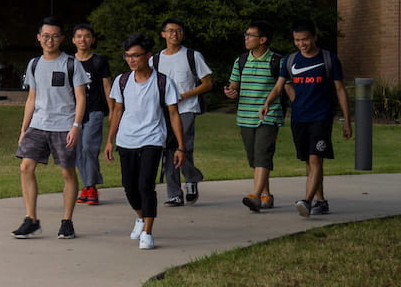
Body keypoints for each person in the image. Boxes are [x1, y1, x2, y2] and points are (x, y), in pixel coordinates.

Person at [101, 34, 187, 250]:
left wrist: (180, 146)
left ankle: (148, 232)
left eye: (136, 56)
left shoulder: (163, 82)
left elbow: (174, 114)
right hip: (126, 140)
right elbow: (118, 111)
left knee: (145, 186)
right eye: (128, 56)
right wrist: (110, 140)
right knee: (130, 188)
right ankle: (140, 217)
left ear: (148, 56)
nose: (131, 60)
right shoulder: (122, 80)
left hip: (152, 139)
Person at [12, 17, 88, 239]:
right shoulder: (34, 64)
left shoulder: (72, 64)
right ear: (38, 38)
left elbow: (81, 97)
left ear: (62, 39)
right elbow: (31, 98)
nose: (50, 40)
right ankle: (31, 219)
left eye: (54, 36)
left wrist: (76, 126)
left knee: (67, 172)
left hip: (64, 125)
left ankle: (67, 221)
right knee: (25, 167)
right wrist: (23, 128)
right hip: (38, 124)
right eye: (45, 36)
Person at [276, 23, 354, 216]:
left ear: (314, 37)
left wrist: (347, 120)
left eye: (305, 39)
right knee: (308, 161)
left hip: (322, 116)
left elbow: (340, 90)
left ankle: (307, 200)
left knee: (316, 158)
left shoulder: (329, 59)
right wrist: (274, 103)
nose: (301, 43)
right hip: (299, 117)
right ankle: (320, 200)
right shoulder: (291, 60)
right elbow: (283, 85)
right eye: (297, 40)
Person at [225, 20, 287, 212]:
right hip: (245, 116)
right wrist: (230, 92)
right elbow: (234, 85)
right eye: (246, 35)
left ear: (263, 40)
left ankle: (256, 196)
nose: (246, 38)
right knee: (255, 159)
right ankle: (266, 194)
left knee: (262, 155)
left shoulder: (277, 61)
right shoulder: (241, 60)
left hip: (269, 116)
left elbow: (281, 87)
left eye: (250, 35)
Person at [151, 18, 213, 205]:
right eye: (170, 31)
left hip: (186, 108)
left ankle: (191, 179)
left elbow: (208, 83)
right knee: (167, 149)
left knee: (182, 146)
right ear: (163, 34)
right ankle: (174, 193)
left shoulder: (192, 56)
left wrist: (185, 95)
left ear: (182, 34)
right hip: (163, 111)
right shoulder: (155, 59)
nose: (174, 34)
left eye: (178, 31)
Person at [70, 23, 112, 206]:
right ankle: (86, 186)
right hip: (74, 112)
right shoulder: (68, 62)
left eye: (87, 36)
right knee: (77, 150)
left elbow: (107, 86)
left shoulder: (99, 61)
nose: (83, 39)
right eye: (79, 36)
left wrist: (112, 110)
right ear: (73, 40)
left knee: (89, 147)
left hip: (94, 109)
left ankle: (91, 185)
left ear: (92, 39)